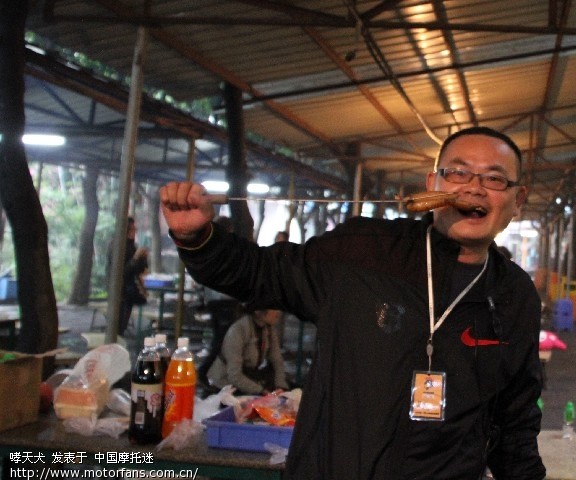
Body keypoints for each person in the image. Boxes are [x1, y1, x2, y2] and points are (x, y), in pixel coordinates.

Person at [160, 126, 545, 479]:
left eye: (494, 178)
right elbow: (258, 273)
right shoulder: (363, 251)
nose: (474, 188)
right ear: (433, 184)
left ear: (517, 200)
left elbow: (516, 420)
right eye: (458, 173)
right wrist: (199, 239)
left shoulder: (515, 295)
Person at [195, 216, 243, 386]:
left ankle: (211, 374)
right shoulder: (227, 248)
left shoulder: (208, 246)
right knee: (222, 340)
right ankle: (204, 372)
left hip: (214, 299)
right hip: (225, 299)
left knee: (220, 339)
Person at [206, 308, 289, 395]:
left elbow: (277, 360)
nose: (278, 312)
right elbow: (234, 375)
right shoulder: (238, 330)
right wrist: (262, 391)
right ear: (258, 311)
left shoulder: (268, 329)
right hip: (225, 385)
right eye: (273, 308)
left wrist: (280, 386)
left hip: (247, 379)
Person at [107, 217, 148, 336]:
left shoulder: (131, 245)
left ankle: (121, 335)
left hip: (129, 289)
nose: (134, 232)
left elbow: (139, 270)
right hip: (119, 289)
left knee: (123, 323)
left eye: (135, 229)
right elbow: (121, 272)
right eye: (131, 229)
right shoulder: (116, 245)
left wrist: (143, 258)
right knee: (118, 324)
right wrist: (135, 258)